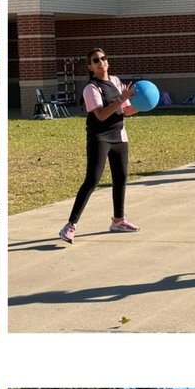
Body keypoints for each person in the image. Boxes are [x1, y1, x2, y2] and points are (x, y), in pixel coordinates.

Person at [59, 48, 139, 244]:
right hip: (100, 137)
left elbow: (126, 111)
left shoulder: (117, 82)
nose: (101, 62)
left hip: (119, 136)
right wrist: (121, 98)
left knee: (120, 178)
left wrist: (144, 104)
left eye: (103, 58)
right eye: (96, 60)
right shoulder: (91, 88)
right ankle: (69, 226)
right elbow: (101, 115)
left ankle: (118, 221)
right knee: (92, 180)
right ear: (90, 67)